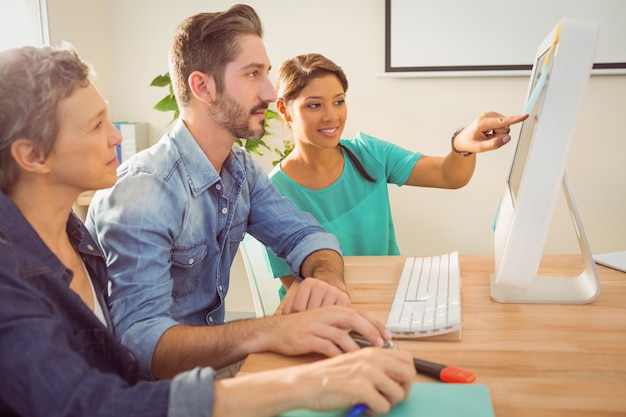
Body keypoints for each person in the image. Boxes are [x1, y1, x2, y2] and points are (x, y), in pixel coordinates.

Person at [0, 44, 416, 417]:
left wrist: (324, 281)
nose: (115, 136)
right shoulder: (135, 196)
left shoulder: (73, 236)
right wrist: (292, 373)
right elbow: (92, 398)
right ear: (33, 155)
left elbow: (306, 233)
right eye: (95, 125)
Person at [86, 4, 392, 381]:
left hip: (209, 369)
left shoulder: (240, 170)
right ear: (202, 87)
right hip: (154, 391)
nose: (270, 92)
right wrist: (269, 331)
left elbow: (307, 235)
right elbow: (141, 348)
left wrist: (326, 279)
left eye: (266, 73)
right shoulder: (145, 190)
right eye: (253, 74)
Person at [265, 53, 529, 297]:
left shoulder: (369, 154)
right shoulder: (273, 195)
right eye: (314, 105)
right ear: (284, 109)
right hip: (325, 315)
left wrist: (461, 145)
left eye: (339, 101)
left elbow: (449, 176)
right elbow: (302, 291)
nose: (331, 116)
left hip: (390, 295)